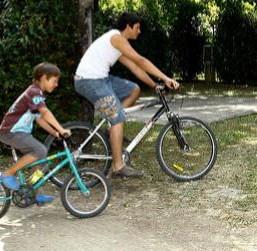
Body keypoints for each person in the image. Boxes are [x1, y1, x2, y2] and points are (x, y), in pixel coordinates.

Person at [74, 12, 180, 178]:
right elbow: (141, 61)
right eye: (137, 28)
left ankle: (113, 126)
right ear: (128, 26)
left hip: (100, 78)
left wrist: (154, 85)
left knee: (133, 90)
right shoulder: (117, 38)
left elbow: (136, 68)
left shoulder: (117, 44)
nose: (139, 31)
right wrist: (165, 78)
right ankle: (117, 166)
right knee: (118, 119)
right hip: (90, 81)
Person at [0, 62, 71, 204]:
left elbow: (40, 119)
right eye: (55, 81)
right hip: (10, 132)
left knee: (42, 162)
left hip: (19, 133)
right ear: (44, 78)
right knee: (40, 149)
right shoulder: (34, 92)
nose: (56, 85)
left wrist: (55, 133)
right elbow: (45, 112)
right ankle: (7, 174)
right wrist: (61, 129)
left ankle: (31, 192)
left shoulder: (36, 94)